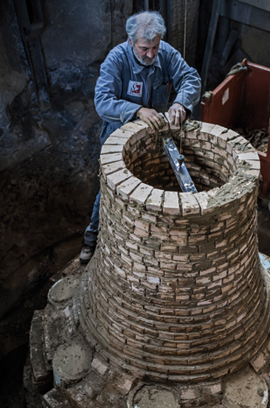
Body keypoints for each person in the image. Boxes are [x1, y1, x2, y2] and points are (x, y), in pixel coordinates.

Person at [80, 10, 201, 263]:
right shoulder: (117, 60)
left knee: (153, 186)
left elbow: (190, 78)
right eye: (145, 48)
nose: (151, 54)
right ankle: (91, 241)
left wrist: (181, 103)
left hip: (156, 138)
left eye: (155, 47)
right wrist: (135, 110)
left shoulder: (165, 53)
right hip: (118, 139)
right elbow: (102, 102)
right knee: (109, 191)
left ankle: (147, 246)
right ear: (131, 41)